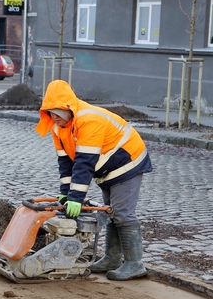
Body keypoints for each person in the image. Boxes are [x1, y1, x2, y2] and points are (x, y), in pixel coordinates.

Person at [35, 80, 153, 281]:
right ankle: (112, 258)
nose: (54, 117)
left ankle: (135, 263)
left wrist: (76, 197)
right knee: (111, 211)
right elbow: (66, 162)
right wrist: (65, 192)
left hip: (127, 162)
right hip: (107, 167)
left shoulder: (89, 120)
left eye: (57, 112)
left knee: (122, 213)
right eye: (50, 113)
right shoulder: (58, 127)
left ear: (68, 108)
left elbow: (85, 162)